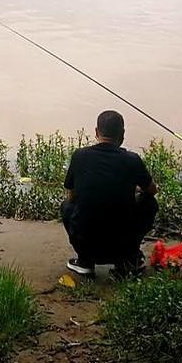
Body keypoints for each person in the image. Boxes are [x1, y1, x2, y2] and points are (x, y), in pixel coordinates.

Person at [62, 109, 158, 275]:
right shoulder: (131, 159)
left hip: (87, 240)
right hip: (121, 242)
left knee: (67, 206)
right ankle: (127, 260)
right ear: (122, 134)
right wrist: (132, 189)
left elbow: (71, 197)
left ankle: (85, 261)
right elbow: (151, 190)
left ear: (97, 132)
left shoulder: (80, 156)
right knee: (149, 202)